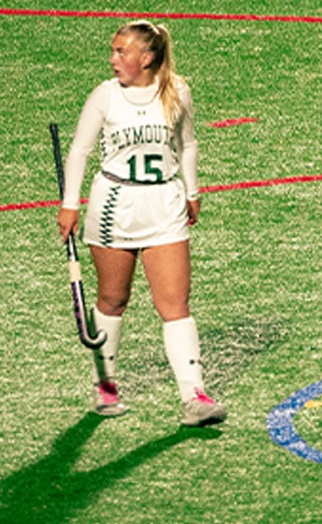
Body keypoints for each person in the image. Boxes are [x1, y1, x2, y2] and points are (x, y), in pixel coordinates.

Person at [57, 21, 226, 426]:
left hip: (164, 205)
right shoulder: (105, 95)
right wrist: (69, 205)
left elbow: (187, 143)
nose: (113, 59)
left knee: (175, 304)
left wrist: (193, 190)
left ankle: (194, 396)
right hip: (114, 206)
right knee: (113, 300)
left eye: (121, 52)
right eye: (113, 51)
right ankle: (105, 385)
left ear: (146, 57)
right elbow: (79, 151)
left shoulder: (176, 91)